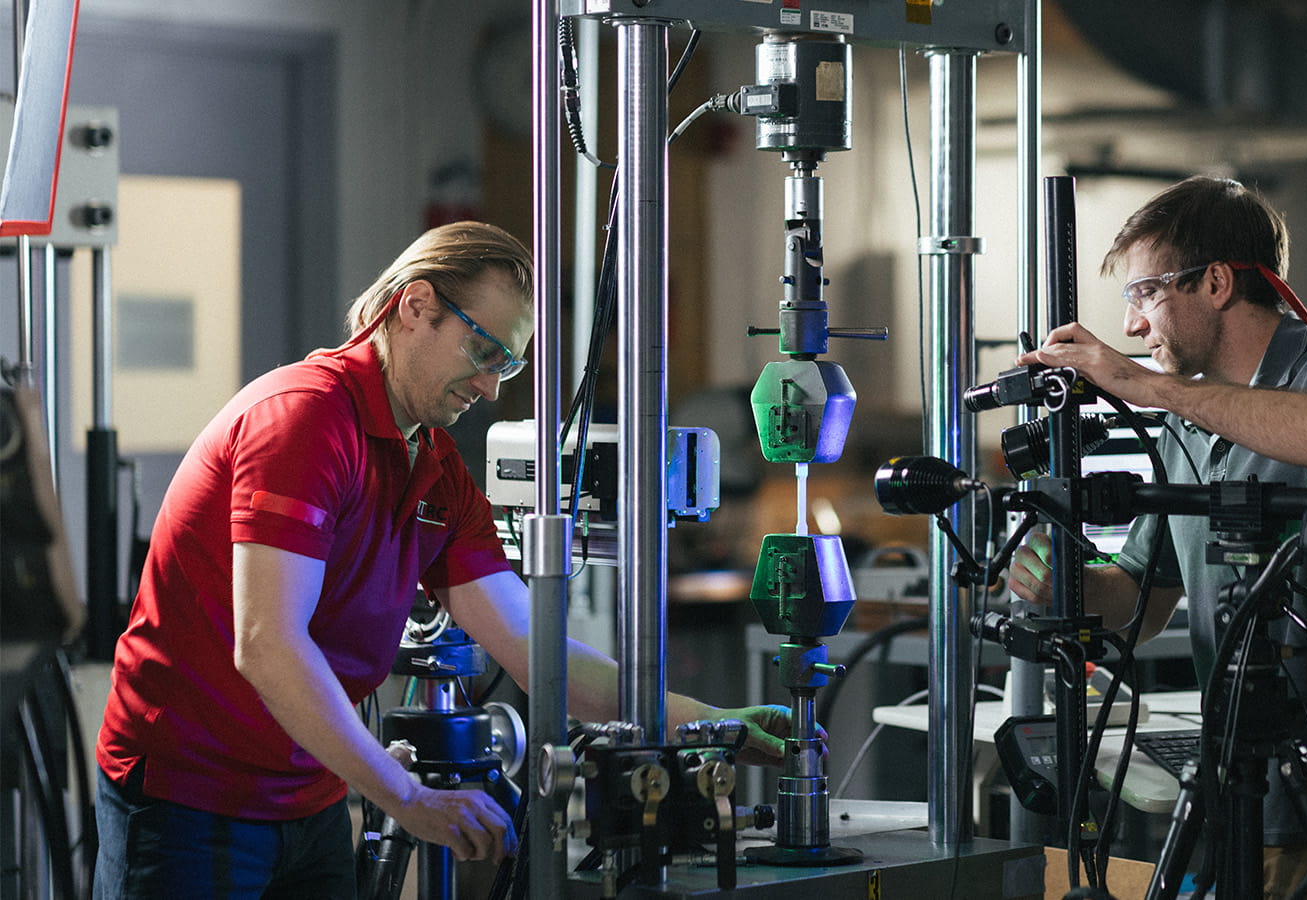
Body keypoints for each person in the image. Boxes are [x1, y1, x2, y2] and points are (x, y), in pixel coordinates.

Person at [94, 221, 796, 898]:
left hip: (308, 798)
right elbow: (267, 643)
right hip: (192, 798)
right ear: (416, 305)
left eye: (509, 366)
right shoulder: (305, 421)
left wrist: (712, 723)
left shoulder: (434, 468)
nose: (491, 388)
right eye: (484, 352)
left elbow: (532, 651)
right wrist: (406, 797)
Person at [1007, 177, 1307, 899]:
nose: (1133, 329)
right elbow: (1141, 605)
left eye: (1144, 294)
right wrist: (1071, 581)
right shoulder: (1188, 425)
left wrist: (1149, 389)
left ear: (1215, 281)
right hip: (1248, 785)